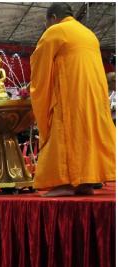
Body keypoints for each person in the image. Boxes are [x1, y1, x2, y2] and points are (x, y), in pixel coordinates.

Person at [30, 3, 116, 196]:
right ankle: (86, 182)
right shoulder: (89, 34)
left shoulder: (56, 31)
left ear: (53, 18)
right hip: (93, 96)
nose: (46, 27)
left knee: (66, 133)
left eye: (46, 23)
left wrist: (34, 91)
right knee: (86, 134)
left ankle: (66, 183)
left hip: (70, 93)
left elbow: (39, 64)